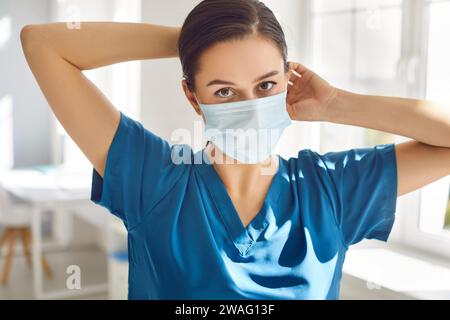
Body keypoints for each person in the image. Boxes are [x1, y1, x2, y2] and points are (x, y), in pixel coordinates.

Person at [21, 0, 450, 300]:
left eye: (265, 85)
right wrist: (192, 39)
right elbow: (43, 44)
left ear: (288, 82)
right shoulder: (153, 180)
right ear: (193, 98)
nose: (249, 107)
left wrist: (337, 103)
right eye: (225, 90)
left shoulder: (331, 189)